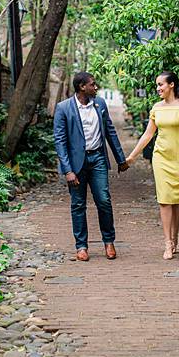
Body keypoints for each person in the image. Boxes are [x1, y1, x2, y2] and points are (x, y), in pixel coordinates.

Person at [53, 72, 129, 261]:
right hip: (76, 164)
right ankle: (81, 246)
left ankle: (109, 241)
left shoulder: (100, 104)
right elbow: (60, 141)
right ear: (81, 87)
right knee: (78, 204)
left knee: (103, 200)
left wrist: (121, 159)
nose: (96, 87)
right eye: (92, 85)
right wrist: (68, 170)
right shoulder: (63, 108)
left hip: (98, 159)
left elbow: (110, 131)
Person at [125, 71, 179, 260]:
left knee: (177, 201)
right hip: (161, 157)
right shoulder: (157, 108)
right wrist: (132, 157)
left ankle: (175, 235)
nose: (158, 89)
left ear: (171, 85)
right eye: (157, 85)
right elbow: (148, 135)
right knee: (164, 200)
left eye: (161, 85)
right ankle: (167, 243)